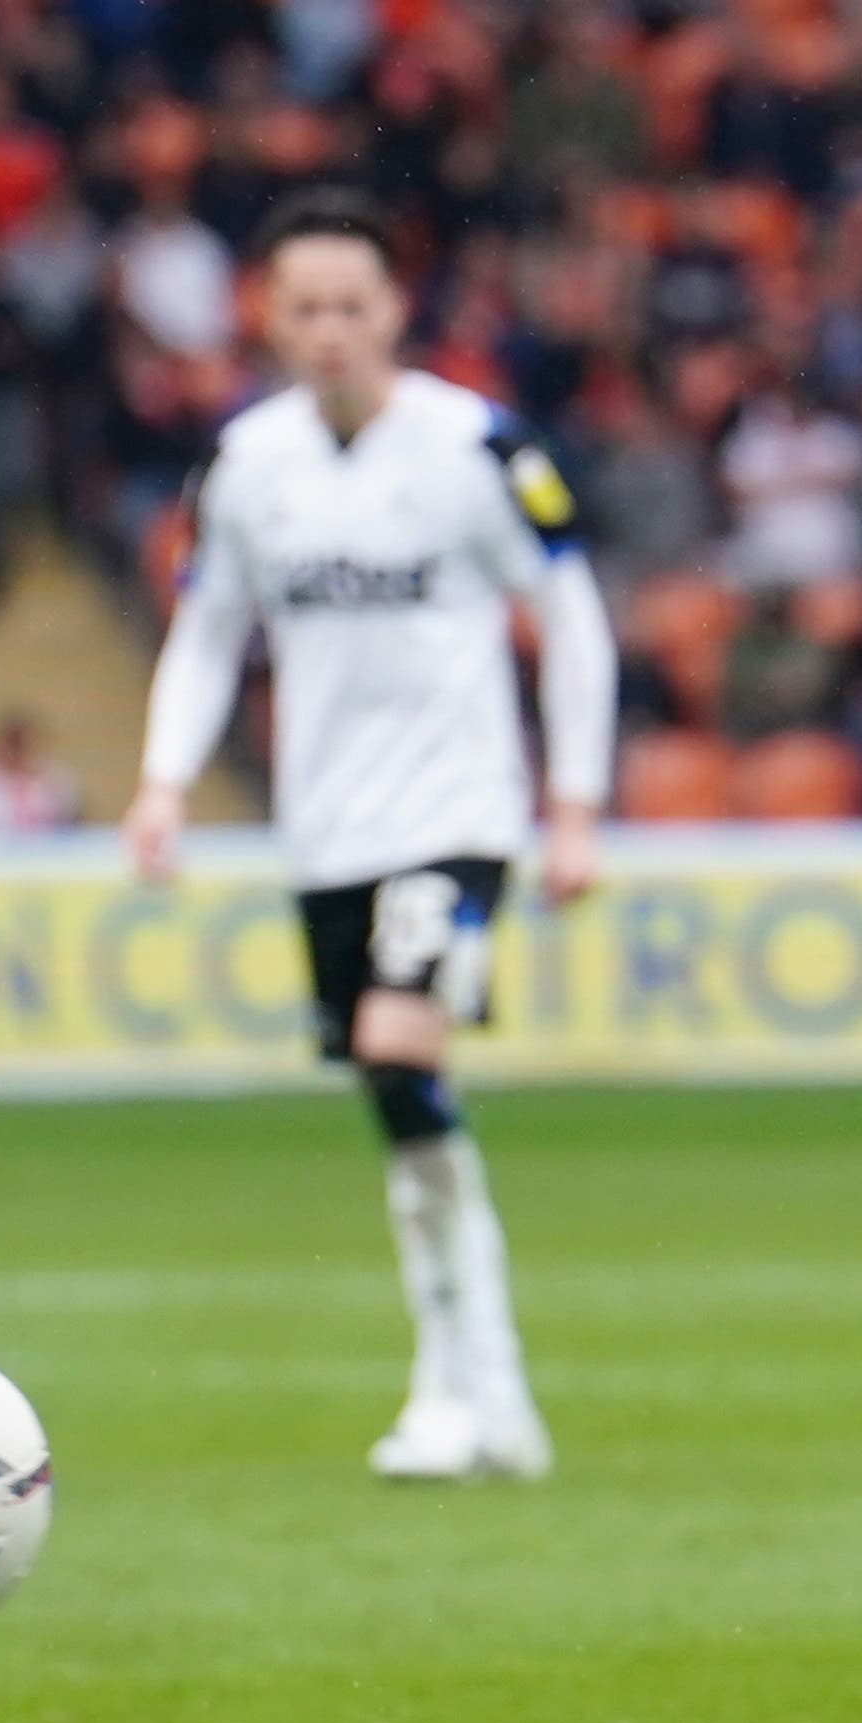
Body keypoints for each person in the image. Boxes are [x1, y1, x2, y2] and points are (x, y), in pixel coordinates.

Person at [125, 190, 617, 1483]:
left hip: (455, 816)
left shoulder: (476, 449)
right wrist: (163, 781)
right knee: (396, 1101)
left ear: (396, 310)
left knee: (401, 1056)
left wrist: (572, 802)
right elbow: (210, 629)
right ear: (269, 318)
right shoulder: (246, 466)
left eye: (353, 304)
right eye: (305, 307)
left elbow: (569, 616)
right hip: (326, 832)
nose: (330, 329)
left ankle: (455, 1391)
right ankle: (491, 1388)